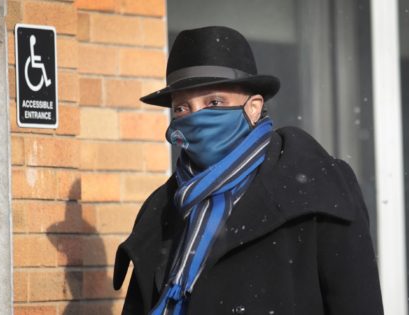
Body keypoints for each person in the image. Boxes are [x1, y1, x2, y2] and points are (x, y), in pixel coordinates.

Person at [113, 26, 384, 315]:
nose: (196, 117)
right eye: (182, 108)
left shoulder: (318, 187)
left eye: (214, 103)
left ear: (253, 107)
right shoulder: (164, 207)